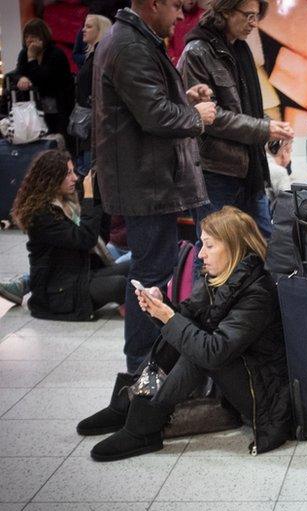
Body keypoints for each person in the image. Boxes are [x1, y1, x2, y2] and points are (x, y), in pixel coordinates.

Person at [77, 206, 291, 460]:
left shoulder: (257, 292)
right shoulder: (222, 277)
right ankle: (128, 405)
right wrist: (161, 307)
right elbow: (185, 319)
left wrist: (170, 318)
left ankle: (144, 426)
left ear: (234, 247)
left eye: (209, 246)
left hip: (265, 398)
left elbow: (213, 352)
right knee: (184, 331)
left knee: (197, 349)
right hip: (240, 373)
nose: (201, 253)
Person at [93, 0, 218, 372]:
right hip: (146, 183)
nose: (181, 16)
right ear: (154, 3)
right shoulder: (130, 45)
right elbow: (154, 115)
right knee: (149, 278)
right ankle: (142, 369)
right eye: (177, 6)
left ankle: (148, 366)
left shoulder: (134, 40)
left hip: (147, 180)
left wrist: (184, 96)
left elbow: (148, 103)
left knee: (152, 273)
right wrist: (195, 115)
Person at [178, 0, 294, 240]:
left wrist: (275, 135)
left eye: (256, 16)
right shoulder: (197, 52)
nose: (253, 23)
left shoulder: (240, 49)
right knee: (216, 251)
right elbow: (210, 116)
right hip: (214, 171)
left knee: (264, 246)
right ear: (226, 11)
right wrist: (264, 128)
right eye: (248, 16)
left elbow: (246, 108)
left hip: (248, 170)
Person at [10, 150, 129, 321]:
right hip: (57, 293)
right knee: (120, 284)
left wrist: (98, 197)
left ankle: (135, 301)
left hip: (78, 275)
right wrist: (89, 197)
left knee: (134, 266)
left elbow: (98, 236)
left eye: (73, 172)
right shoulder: (42, 214)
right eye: (68, 174)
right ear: (51, 178)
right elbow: (85, 239)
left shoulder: (68, 203)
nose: (75, 178)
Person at [11, 19, 74, 136]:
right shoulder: (24, 53)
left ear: (42, 37)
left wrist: (32, 59)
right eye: (26, 36)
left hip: (58, 109)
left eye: (33, 36)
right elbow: (16, 72)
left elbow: (43, 79)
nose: (29, 40)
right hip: (35, 108)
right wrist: (21, 78)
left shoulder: (56, 54)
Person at [74, 14, 112, 175]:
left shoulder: (101, 57)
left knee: (91, 175)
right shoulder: (92, 56)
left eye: (89, 26)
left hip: (96, 128)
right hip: (87, 127)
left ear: (100, 30)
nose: (83, 30)